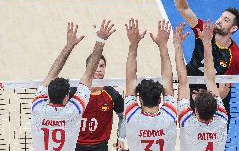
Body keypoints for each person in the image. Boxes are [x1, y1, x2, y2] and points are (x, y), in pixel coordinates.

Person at [166, 0, 239, 119]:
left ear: (233, 29)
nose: (219, 20)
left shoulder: (235, 56)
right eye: (221, 16)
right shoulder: (204, 31)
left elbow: (224, 88)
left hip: (214, 99)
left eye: (226, 20)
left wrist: (205, 102)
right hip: (191, 89)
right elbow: (184, 9)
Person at [31, 20, 116, 151]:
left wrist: (69, 45)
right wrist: (100, 40)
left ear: (47, 94)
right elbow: (88, 74)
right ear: (67, 97)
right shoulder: (73, 110)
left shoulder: (37, 107)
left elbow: (50, 75)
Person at [174, 22, 228, 151]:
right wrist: (207, 43)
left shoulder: (188, 121)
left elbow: (183, 81)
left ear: (195, 109)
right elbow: (210, 79)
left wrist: (178, 45)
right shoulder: (221, 118)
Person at [124, 19, 177, 151]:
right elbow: (168, 81)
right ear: (160, 99)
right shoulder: (169, 116)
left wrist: (133, 45)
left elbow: (130, 80)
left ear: (140, 99)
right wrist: (163, 46)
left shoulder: (132, 116)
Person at [74, 54, 126, 151]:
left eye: (101, 66)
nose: (98, 69)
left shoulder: (112, 94)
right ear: (87, 69)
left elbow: (123, 116)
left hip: (100, 146)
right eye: (95, 66)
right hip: (76, 145)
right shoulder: (75, 92)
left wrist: (121, 138)